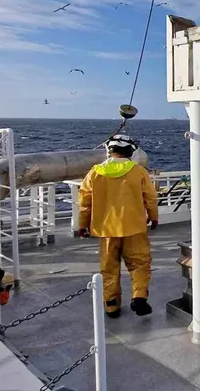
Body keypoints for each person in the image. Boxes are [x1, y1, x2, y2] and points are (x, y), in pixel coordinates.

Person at [78, 134, 159, 318]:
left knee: (109, 268)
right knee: (140, 263)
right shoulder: (138, 171)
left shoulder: (95, 172)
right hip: (134, 227)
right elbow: (151, 197)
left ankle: (111, 305)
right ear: (130, 151)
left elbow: (84, 201)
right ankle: (139, 297)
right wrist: (153, 217)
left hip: (106, 230)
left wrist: (82, 225)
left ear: (109, 151)